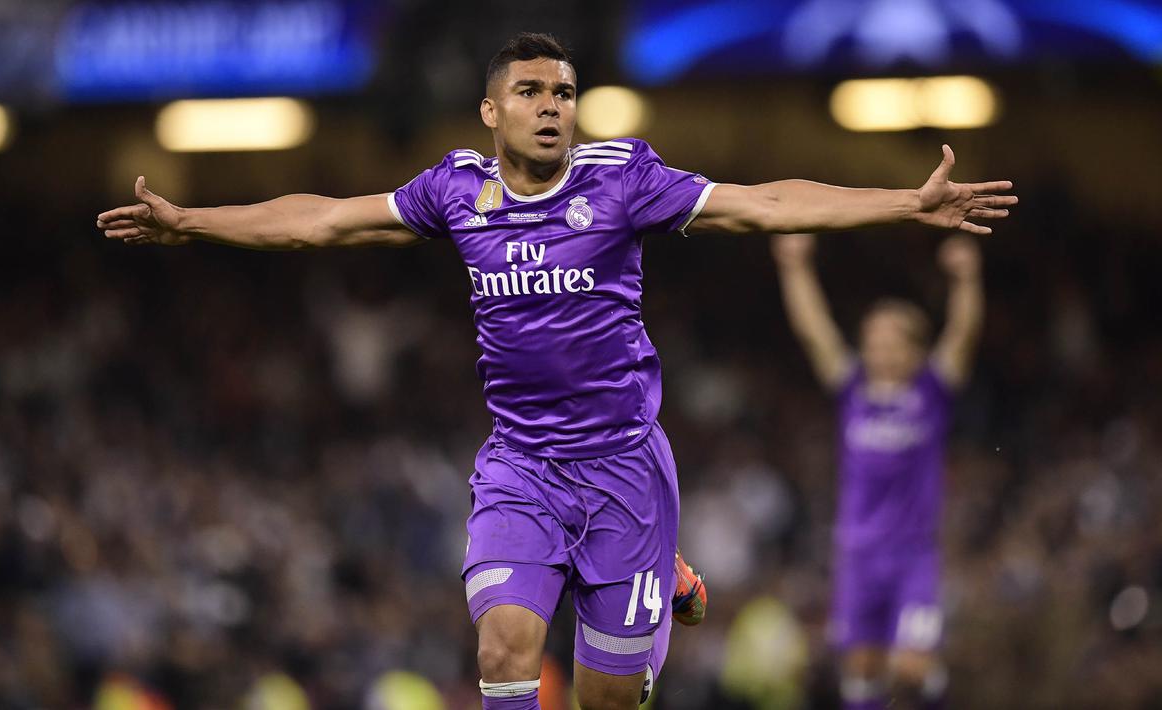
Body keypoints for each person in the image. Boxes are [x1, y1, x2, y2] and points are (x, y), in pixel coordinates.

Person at [96, 32, 1013, 710]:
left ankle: (661, 569)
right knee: (507, 645)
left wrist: (902, 204)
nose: (552, 105)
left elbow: (761, 204)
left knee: (605, 700)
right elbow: (325, 219)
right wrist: (192, 221)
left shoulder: (622, 179)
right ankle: (636, 577)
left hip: (622, 471)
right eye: (530, 91)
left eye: (565, 91)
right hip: (522, 466)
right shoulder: (454, 189)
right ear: (492, 111)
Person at [771, 233, 984, 710]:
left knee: (911, 667)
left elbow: (964, 332)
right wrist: (794, 267)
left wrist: (966, 278)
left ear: (915, 349)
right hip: (858, 554)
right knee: (863, 668)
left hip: (913, 556)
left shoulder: (932, 391)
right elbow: (814, 330)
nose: (881, 352)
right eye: (873, 342)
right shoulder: (853, 391)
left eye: (892, 342)